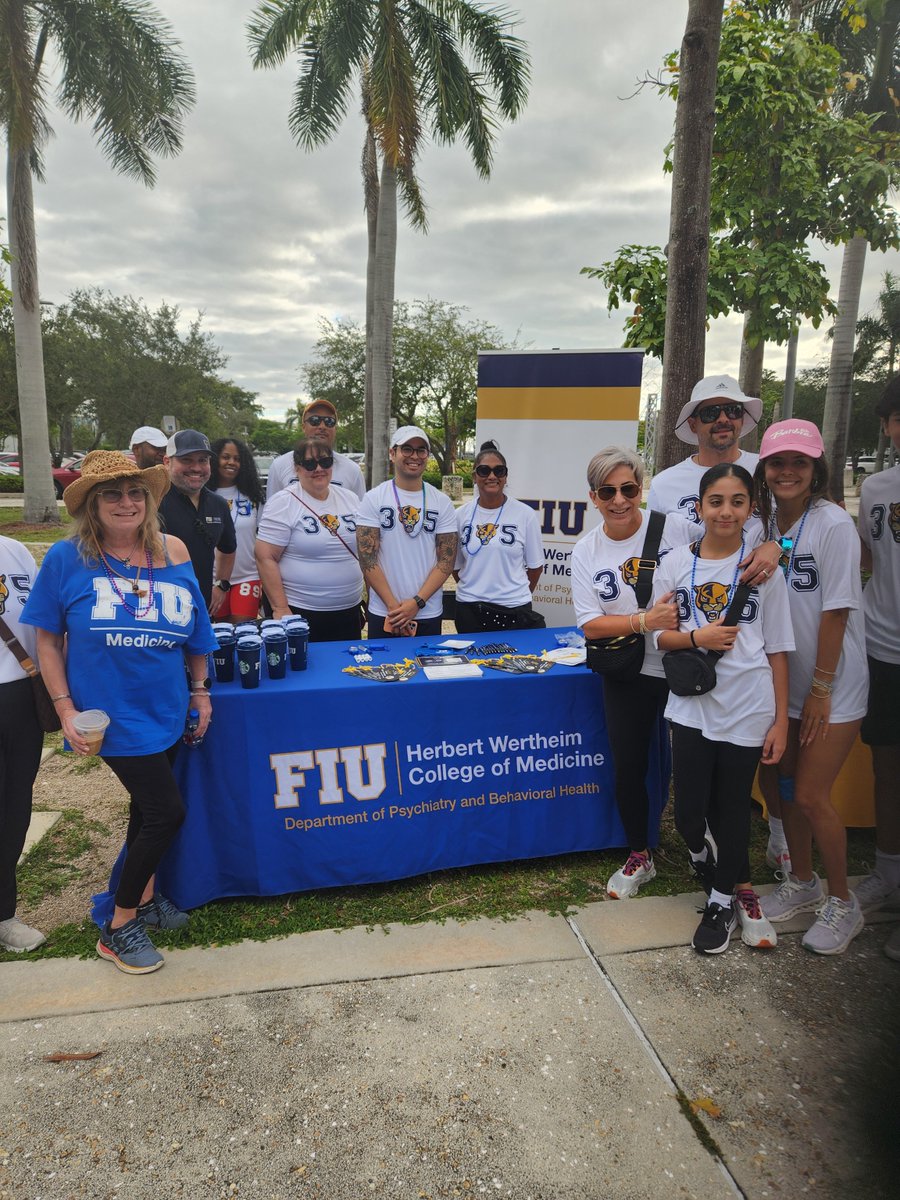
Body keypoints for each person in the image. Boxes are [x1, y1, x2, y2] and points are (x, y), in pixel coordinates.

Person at [21, 451, 217, 975]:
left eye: (136, 493)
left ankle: (147, 899)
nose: (126, 503)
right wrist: (64, 709)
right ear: (92, 504)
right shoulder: (67, 559)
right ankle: (119, 925)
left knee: (143, 809)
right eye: (113, 494)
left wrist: (200, 691)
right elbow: (46, 640)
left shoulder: (172, 550)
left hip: (168, 706)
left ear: (149, 500)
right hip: (110, 717)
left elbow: (197, 630)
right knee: (165, 812)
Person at [648, 373, 787, 872]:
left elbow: (802, 523)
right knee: (696, 793)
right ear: (693, 422)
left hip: (756, 633)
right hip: (694, 645)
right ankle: (707, 848)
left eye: (731, 410)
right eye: (710, 411)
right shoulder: (665, 483)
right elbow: (666, 559)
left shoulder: (764, 469)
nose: (722, 420)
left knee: (746, 777)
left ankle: (766, 846)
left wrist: (778, 545)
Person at [652, 463, 793, 954]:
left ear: (751, 508)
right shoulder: (674, 564)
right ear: (701, 507)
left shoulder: (761, 568)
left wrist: (780, 719)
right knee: (690, 813)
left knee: (733, 808)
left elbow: (777, 646)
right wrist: (698, 636)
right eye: (716, 501)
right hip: (691, 706)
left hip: (749, 706)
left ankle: (720, 902)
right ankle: (705, 859)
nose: (726, 511)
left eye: (737, 501)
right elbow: (659, 635)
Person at [754, 420, 868, 955]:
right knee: (785, 792)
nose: (787, 471)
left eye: (799, 462)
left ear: (817, 468)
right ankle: (802, 882)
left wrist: (821, 687)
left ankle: (844, 903)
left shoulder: (834, 525)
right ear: (765, 469)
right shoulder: (766, 522)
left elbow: (836, 611)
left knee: (811, 795)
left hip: (833, 685)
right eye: (778, 462)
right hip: (787, 685)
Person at [571, 448, 699, 899]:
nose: (620, 499)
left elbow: (727, 548)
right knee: (629, 765)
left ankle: (702, 847)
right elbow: (589, 623)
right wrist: (643, 622)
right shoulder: (586, 549)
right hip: (629, 669)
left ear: (640, 488)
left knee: (696, 764)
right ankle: (639, 853)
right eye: (609, 491)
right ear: (593, 497)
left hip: (687, 662)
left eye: (628, 488)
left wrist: (769, 545)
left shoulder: (676, 527)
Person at [855, 379, 900, 961]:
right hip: (883, 647)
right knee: (887, 767)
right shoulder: (875, 490)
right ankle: (888, 873)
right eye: (897, 418)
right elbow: (867, 560)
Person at [255, 439, 364, 641]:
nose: (319, 469)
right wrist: (280, 608)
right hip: (301, 611)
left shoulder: (350, 498)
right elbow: (265, 557)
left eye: (325, 462)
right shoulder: (283, 502)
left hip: (348, 611)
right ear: (297, 468)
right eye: (310, 464)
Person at [356, 426, 458, 638]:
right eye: (407, 449)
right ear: (393, 454)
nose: (415, 456)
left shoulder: (441, 502)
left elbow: (446, 561)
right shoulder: (374, 498)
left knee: (427, 669)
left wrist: (417, 602)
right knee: (383, 669)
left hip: (427, 611)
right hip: (385, 612)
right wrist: (395, 608)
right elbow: (367, 558)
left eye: (421, 450)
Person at [0, 536, 46, 953]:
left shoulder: (14, 550)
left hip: (18, 698)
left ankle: (3, 915)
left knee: (13, 809)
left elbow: (40, 620)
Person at [453, 441, 544, 632]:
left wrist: (513, 595)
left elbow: (535, 568)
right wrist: (474, 588)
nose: (492, 476)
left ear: (505, 477)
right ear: (474, 477)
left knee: (513, 662)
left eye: (499, 471)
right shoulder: (460, 516)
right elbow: (456, 567)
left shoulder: (525, 514)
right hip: (469, 609)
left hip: (514, 610)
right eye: (484, 471)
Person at [157, 429, 237, 616]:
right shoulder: (152, 502)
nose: (196, 468)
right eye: (186, 460)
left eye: (203, 460)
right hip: (159, 611)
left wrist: (222, 584)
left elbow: (228, 548)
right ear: (167, 462)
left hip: (201, 609)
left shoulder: (218, 504)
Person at [209, 437, 264, 622]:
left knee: (243, 634)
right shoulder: (203, 495)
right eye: (225, 457)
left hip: (247, 576)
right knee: (222, 637)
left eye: (237, 458)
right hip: (213, 580)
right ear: (215, 459)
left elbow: (263, 539)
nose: (231, 462)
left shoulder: (254, 497)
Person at [266, 400, 365, 501]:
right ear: (304, 427)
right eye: (315, 420)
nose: (322, 426)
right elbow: (270, 508)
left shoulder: (353, 470)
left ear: (335, 428)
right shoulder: (279, 465)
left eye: (329, 421)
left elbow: (360, 513)